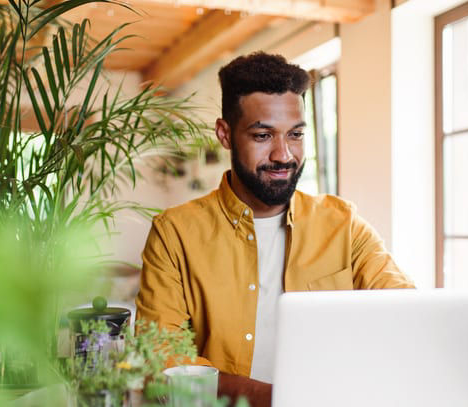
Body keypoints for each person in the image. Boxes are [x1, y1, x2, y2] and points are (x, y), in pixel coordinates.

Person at [135, 52, 414, 407]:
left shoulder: (343, 224)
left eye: (295, 134)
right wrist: (277, 398)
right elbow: (160, 359)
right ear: (225, 134)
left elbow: (406, 312)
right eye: (263, 135)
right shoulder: (174, 234)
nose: (284, 154)